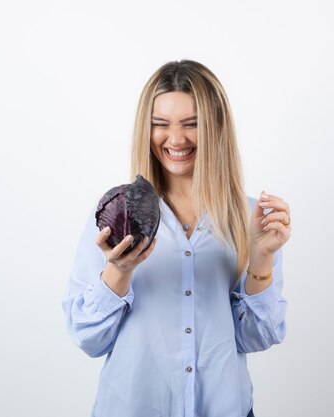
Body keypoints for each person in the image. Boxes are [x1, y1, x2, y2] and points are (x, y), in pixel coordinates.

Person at [62, 60, 292, 417]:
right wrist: (119, 272)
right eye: (160, 124)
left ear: (216, 127)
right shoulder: (117, 215)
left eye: (192, 124)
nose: (176, 139)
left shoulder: (251, 219)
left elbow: (255, 338)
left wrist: (260, 258)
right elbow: (89, 339)